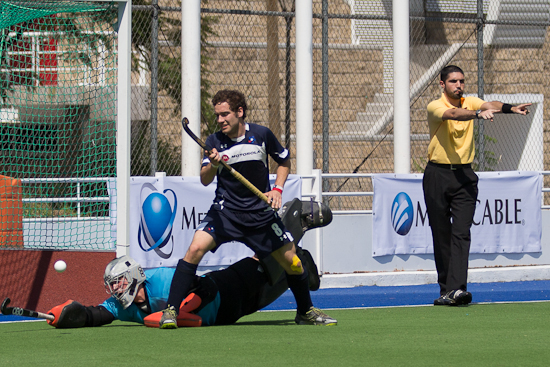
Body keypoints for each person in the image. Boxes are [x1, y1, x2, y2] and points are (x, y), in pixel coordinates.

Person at [160, 89, 337, 328]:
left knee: (293, 263)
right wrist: (213, 165)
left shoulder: (261, 135)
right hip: (225, 213)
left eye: (225, 114)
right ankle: (170, 311)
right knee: (194, 249)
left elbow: (284, 160)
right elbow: (204, 179)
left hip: (260, 216)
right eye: (218, 116)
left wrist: (277, 190)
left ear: (240, 112)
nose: (221, 120)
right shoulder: (214, 142)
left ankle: (305, 311)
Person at [46, 199, 333, 328]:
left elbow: (204, 289)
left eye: (119, 281)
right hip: (226, 316)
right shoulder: (123, 308)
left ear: (134, 276)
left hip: (227, 289)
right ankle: (301, 266)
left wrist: (182, 310)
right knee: (273, 281)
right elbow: (98, 314)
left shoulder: (161, 280)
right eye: (113, 285)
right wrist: (72, 315)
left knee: (268, 263)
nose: (116, 289)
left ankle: (294, 220)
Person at [424, 65, 531, 306]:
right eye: (453, 81)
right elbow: (453, 115)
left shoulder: (469, 101)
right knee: (442, 235)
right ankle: (446, 290)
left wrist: (509, 109)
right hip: (437, 175)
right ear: (442, 84)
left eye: (461, 81)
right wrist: (475, 115)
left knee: (461, 233)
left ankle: (457, 290)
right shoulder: (435, 106)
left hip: (464, 177)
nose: (458, 85)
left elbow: (487, 105)